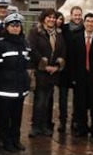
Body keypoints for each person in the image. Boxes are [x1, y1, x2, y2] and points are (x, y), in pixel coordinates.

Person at [67, 12, 93, 139]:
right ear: (84, 23)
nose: (90, 24)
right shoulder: (76, 38)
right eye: (88, 21)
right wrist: (73, 77)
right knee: (80, 104)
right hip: (80, 77)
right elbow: (72, 60)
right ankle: (82, 128)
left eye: (92, 22)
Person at [0, 12, 31, 153]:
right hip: (5, 88)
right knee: (4, 117)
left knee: (17, 117)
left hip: (20, 87)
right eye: (12, 26)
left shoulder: (25, 43)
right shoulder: (1, 44)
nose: (16, 28)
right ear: (7, 28)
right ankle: (5, 141)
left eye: (18, 26)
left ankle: (15, 139)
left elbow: (26, 64)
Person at [27, 8, 66, 137]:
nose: (52, 20)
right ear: (43, 18)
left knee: (48, 100)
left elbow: (62, 50)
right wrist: (45, 65)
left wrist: (56, 66)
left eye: (54, 17)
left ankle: (44, 126)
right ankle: (35, 127)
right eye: (49, 17)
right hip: (40, 71)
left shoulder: (58, 33)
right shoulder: (35, 32)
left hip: (53, 73)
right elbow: (32, 50)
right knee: (39, 100)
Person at [58, 6, 84, 133]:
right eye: (75, 15)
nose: (77, 17)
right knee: (62, 97)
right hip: (65, 68)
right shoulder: (64, 29)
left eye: (79, 15)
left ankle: (76, 120)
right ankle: (62, 121)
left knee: (78, 97)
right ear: (71, 15)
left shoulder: (85, 29)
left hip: (79, 68)